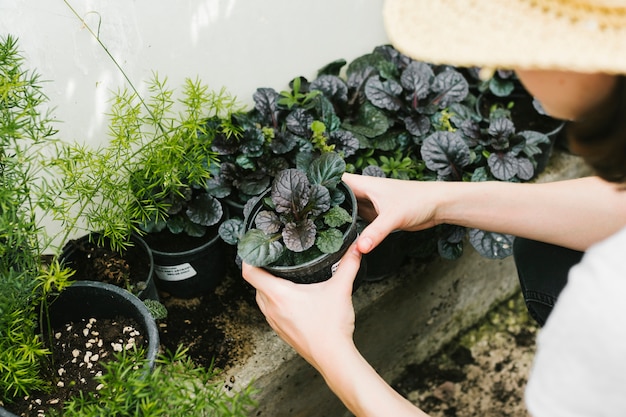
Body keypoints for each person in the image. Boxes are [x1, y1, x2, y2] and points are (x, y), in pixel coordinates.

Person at [242, 0, 626, 415]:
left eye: (518, 38)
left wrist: (330, 351)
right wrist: (438, 200)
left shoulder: (605, 302)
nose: (495, 68)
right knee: (545, 249)